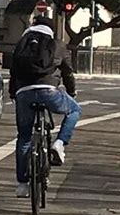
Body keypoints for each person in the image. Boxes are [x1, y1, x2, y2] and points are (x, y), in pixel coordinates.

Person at [9, 16, 81, 198]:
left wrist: (13, 94)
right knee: (74, 110)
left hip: (24, 92)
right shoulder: (58, 44)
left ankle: (22, 185)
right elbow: (68, 72)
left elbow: (13, 71)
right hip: (49, 91)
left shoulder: (21, 43)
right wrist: (71, 93)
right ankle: (59, 143)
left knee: (24, 138)